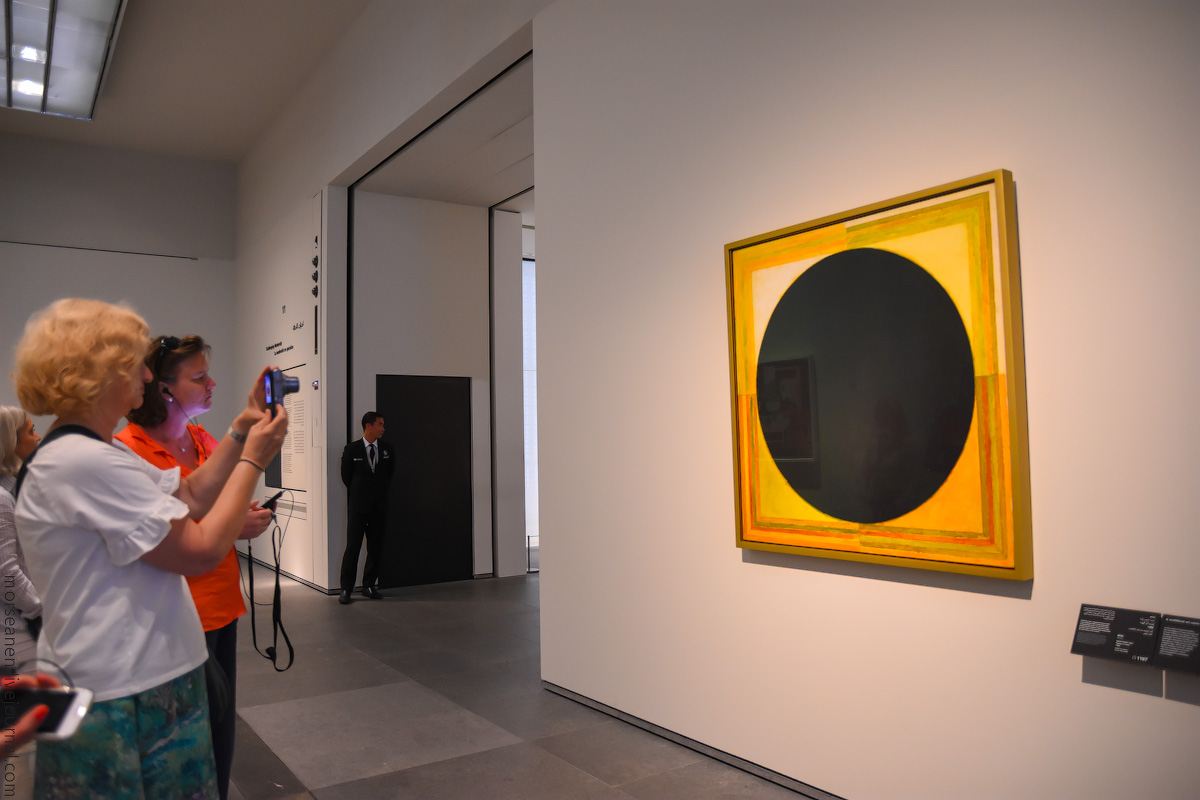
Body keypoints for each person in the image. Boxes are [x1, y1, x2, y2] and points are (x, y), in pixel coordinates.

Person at [11, 298, 287, 798]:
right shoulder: (82, 462)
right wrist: (254, 459)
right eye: (133, 363)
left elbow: (189, 494)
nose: (144, 373)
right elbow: (200, 548)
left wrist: (240, 428)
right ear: (100, 375)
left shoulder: (94, 450)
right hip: (120, 691)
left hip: (135, 677)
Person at [114, 335, 271, 800]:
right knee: (184, 742)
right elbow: (187, 527)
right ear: (161, 388)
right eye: (198, 377)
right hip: (175, 613)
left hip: (222, 602)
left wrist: (238, 516)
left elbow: (202, 505)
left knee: (221, 732)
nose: (211, 384)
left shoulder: (204, 440)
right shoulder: (129, 451)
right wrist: (231, 523)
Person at [0, 407, 43, 668]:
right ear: (9, 442)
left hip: (18, 631)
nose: (37, 438)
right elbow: (5, 573)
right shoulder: (2, 499)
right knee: (22, 708)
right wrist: (43, 608)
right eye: (31, 431)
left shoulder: (13, 491)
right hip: (15, 637)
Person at [338, 411, 394, 604]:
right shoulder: (352, 449)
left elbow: (389, 475)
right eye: (380, 424)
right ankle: (346, 588)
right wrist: (361, 493)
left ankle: (369, 585)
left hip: (379, 507)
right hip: (358, 507)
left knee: (375, 547)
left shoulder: (387, 449)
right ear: (368, 426)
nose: (383, 428)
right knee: (353, 547)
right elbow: (347, 477)